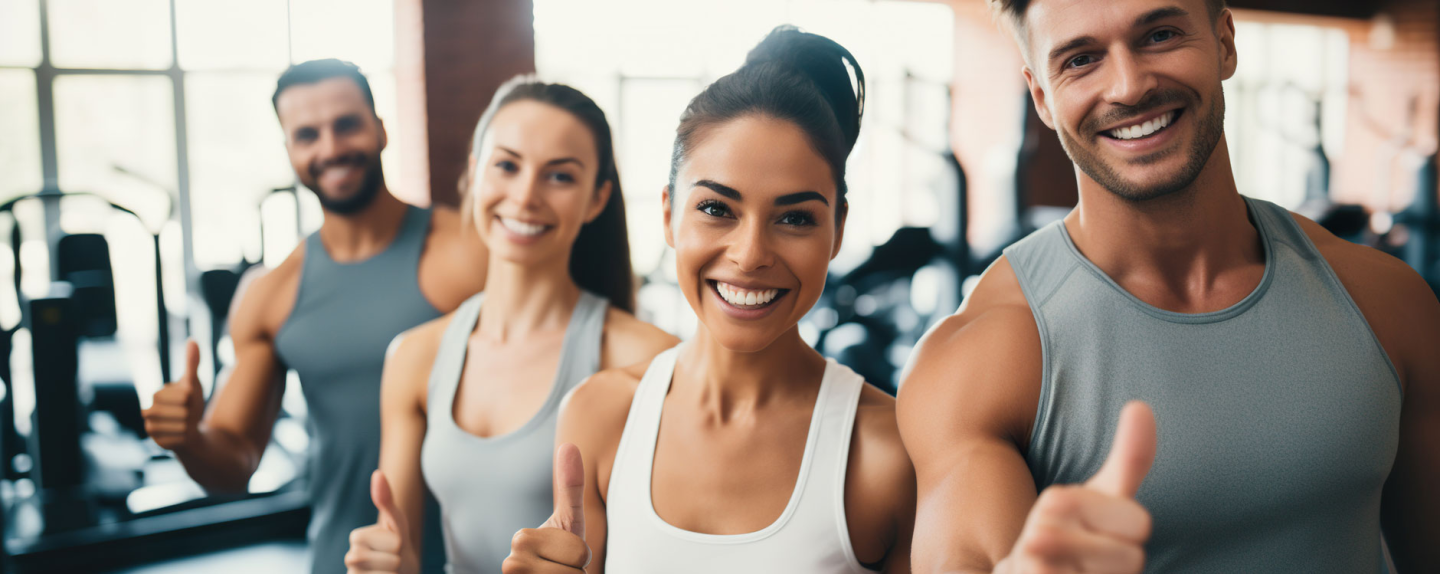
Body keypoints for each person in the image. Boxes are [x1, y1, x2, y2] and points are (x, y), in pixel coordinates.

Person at [896, 0, 1439, 572]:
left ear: (1224, 42)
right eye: (1081, 60)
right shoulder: (977, 359)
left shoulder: (1386, 302)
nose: (1129, 87)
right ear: (1042, 98)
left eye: (1159, 35)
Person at [501, 26, 917, 574]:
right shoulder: (601, 417)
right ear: (669, 213)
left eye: (794, 218)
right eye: (717, 209)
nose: (749, 256)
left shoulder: (887, 451)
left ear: (837, 230)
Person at [140, 59, 489, 574]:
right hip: (342, 559)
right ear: (289, 152)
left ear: (380, 129)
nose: (330, 148)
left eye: (346, 124)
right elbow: (234, 463)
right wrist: (188, 440)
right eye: (307, 134)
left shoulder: (470, 250)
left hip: (477, 558)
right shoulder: (270, 293)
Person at [343, 77, 677, 574]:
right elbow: (403, 549)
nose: (525, 196)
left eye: (560, 176)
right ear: (476, 173)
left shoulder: (647, 360)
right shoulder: (414, 356)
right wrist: (389, 563)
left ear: (596, 199)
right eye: (506, 165)